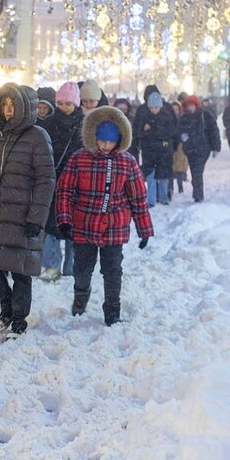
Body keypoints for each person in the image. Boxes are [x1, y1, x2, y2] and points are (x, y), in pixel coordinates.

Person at [0, 83, 55, 338]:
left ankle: (18, 319)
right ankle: (5, 308)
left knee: (20, 270)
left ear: (24, 107)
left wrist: (36, 218)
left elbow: (45, 180)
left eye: (12, 104)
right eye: (4, 104)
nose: (8, 109)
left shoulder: (38, 137)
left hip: (21, 215)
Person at [56, 105, 154, 326]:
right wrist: (64, 220)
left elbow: (138, 197)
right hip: (84, 223)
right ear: (94, 137)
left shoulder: (127, 162)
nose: (106, 146)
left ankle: (112, 310)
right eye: (102, 141)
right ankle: (80, 298)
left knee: (112, 271)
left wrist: (144, 229)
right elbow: (65, 191)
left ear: (119, 140)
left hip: (114, 225)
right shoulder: (79, 159)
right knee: (81, 268)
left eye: (111, 142)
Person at [38, 81, 83, 281]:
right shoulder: (48, 124)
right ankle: (52, 266)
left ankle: (71, 268)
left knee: (74, 226)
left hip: (76, 184)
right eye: (61, 103)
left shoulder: (84, 126)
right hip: (52, 182)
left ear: (76, 104)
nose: (64, 107)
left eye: (68, 103)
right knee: (50, 228)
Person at [133, 85, 177, 205]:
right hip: (149, 150)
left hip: (164, 150)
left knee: (163, 176)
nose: (153, 110)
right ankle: (151, 200)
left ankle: (164, 198)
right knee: (151, 176)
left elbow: (171, 132)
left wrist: (152, 129)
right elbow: (139, 132)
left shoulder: (166, 115)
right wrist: (145, 131)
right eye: (151, 107)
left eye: (156, 107)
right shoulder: (144, 115)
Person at [178, 95, 221, 202]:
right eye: (188, 106)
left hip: (203, 148)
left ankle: (198, 195)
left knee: (198, 171)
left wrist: (216, 147)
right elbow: (178, 130)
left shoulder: (205, 115)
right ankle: (197, 192)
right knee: (194, 171)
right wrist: (182, 136)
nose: (190, 108)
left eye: (192, 105)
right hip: (190, 149)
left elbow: (214, 131)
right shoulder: (184, 117)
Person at [170, 100, 188, 195]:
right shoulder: (168, 119)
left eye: (177, 109)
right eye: (173, 109)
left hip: (180, 143)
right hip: (171, 143)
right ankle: (171, 187)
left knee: (180, 165)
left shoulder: (183, 119)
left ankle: (180, 185)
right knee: (171, 165)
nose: (175, 111)